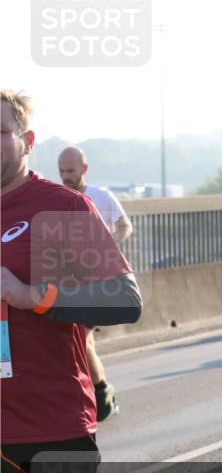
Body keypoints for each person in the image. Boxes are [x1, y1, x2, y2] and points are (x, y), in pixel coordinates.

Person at [1, 89, 144, 473]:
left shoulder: (59, 208)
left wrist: (31, 294)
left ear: (26, 141)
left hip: (50, 418)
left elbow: (125, 300)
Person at [57, 146, 134, 421]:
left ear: (84, 170)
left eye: (71, 172)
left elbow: (125, 226)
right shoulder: (56, 199)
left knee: (83, 338)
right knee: (72, 340)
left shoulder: (101, 197)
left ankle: (101, 392)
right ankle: (89, 391)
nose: (66, 177)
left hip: (98, 283)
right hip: (70, 283)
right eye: (62, 172)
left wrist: (107, 246)